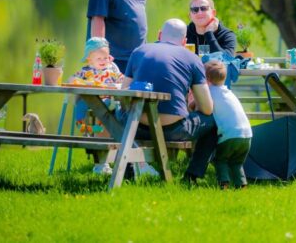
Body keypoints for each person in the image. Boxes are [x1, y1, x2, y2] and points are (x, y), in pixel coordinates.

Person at [122, 19, 217, 184]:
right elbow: (207, 109)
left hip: (136, 127)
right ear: (184, 41)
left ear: (159, 34)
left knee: (116, 113)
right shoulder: (193, 59)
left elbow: (124, 94)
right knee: (213, 122)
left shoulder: (139, 51)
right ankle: (191, 176)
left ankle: (128, 171)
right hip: (172, 130)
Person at [67, 37, 124, 175]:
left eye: (106, 57)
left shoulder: (112, 69)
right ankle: (87, 128)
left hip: (107, 100)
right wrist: (81, 82)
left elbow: (123, 80)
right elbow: (70, 80)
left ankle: (112, 149)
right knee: (82, 104)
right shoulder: (85, 71)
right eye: (99, 59)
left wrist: (118, 83)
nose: (104, 61)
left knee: (114, 111)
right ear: (89, 59)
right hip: (90, 102)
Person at [204, 61, 252, 189]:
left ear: (207, 78)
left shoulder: (209, 92)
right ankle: (242, 185)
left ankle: (224, 184)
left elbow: (202, 107)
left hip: (230, 135)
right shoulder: (229, 93)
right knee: (237, 163)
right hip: (247, 135)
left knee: (220, 160)